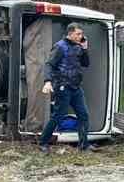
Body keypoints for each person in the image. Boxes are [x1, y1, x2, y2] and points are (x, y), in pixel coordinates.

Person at [39, 23, 91, 153]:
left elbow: (86, 63)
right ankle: (43, 142)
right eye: (78, 34)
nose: (81, 36)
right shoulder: (60, 47)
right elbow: (49, 65)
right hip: (63, 86)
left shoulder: (79, 47)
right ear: (70, 33)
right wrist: (47, 81)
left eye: (81, 34)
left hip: (76, 87)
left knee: (83, 115)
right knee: (58, 115)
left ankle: (84, 145)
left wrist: (85, 49)